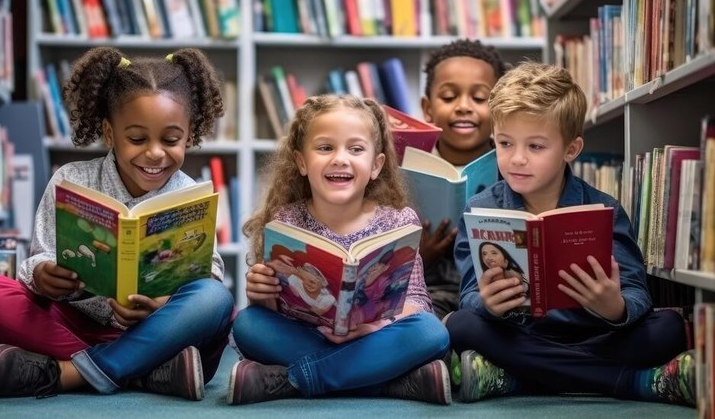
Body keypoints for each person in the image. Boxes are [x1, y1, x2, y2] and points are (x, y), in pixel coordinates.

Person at [0, 47, 235, 400]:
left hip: (159, 332)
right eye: (137, 139)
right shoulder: (71, 180)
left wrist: (163, 303)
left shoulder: (190, 194)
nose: (155, 153)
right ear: (109, 132)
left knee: (216, 299)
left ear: (189, 134)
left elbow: (208, 272)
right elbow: (41, 255)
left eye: (171, 140)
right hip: (75, 326)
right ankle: (145, 373)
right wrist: (43, 275)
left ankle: (69, 373)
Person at [446, 63, 695, 406]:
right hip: (520, 333)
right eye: (505, 143)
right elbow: (469, 296)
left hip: (594, 335)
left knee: (668, 328)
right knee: (460, 325)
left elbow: (637, 293)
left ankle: (514, 378)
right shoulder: (479, 209)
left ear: (571, 149)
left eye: (535, 147)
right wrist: (487, 305)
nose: (517, 159)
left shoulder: (603, 209)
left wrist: (615, 308)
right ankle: (632, 382)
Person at [228, 94, 450, 405]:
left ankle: (294, 380)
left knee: (431, 332)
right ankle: (386, 382)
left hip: (376, 336)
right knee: (248, 324)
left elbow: (417, 300)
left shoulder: (399, 221)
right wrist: (261, 294)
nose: (340, 159)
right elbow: (277, 308)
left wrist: (377, 325)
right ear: (301, 162)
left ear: (376, 165)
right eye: (325, 148)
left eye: (355, 149)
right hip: (311, 337)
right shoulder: (286, 221)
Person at [419, 39, 508, 320]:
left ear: (499, 108)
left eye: (479, 98)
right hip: (428, 290)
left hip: (497, 292)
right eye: (448, 97)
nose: (463, 107)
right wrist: (418, 254)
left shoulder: (516, 167)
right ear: (427, 108)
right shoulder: (407, 169)